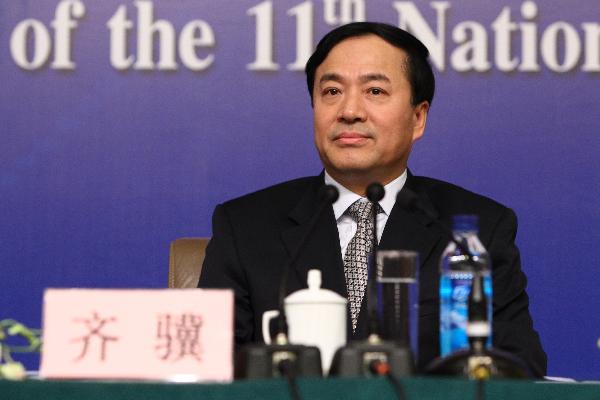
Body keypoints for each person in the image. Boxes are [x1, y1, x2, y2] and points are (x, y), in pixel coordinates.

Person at [198, 22, 547, 377]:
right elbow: (208, 365)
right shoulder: (245, 226)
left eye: (375, 91)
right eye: (332, 91)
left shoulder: (476, 230)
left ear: (418, 117)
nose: (349, 110)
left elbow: (519, 364)